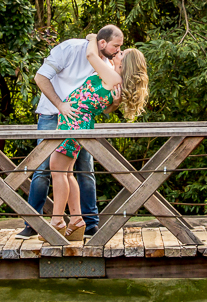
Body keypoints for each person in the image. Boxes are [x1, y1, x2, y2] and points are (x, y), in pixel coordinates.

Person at [16, 25, 124, 239]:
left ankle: (86, 223)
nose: (118, 51)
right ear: (103, 43)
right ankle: (34, 223)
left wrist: (116, 102)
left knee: (83, 171)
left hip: (78, 122)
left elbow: (105, 102)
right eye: (116, 46)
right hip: (53, 113)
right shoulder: (70, 48)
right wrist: (60, 105)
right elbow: (40, 78)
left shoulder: (104, 62)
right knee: (44, 169)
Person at [50, 33, 149, 240]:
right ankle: (76, 220)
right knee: (66, 173)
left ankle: (57, 221)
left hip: (74, 123)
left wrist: (94, 38)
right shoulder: (113, 76)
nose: (118, 53)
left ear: (126, 63)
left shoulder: (113, 78)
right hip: (74, 122)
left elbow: (91, 56)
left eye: (122, 53)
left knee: (58, 170)